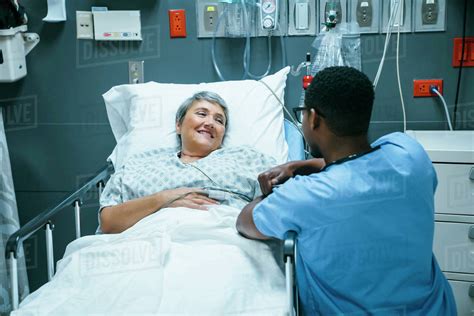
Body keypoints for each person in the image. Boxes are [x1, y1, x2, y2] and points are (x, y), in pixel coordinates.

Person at [236, 66, 457, 315]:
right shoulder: (409, 154)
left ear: (314, 118)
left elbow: (245, 222)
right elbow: (360, 163)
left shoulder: (303, 197)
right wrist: (299, 165)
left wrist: (269, 194)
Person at [99, 90, 276, 234]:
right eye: (201, 114)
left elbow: (277, 204)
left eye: (219, 120)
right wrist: (164, 198)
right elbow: (108, 221)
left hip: (225, 239)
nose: (210, 123)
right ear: (178, 125)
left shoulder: (247, 158)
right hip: (146, 242)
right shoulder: (139, 164)